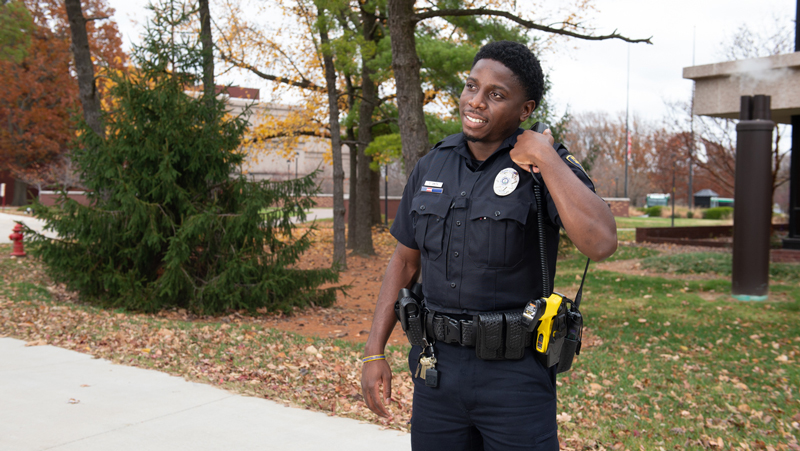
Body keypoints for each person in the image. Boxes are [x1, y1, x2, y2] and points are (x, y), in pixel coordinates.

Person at [360, 40, 617, 450]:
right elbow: (405, 263)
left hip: (514, 379)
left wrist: (547, 159)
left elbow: (601, 242)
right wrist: (375, 352)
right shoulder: (432, 164)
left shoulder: (542, 167)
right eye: (471, 87)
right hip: (436, 371)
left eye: (496, 95)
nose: (475, 102)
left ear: (525, 109)